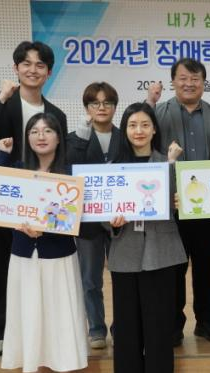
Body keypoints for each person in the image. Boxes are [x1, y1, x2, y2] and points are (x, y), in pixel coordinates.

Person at [0, 41, 67, 360]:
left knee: (39, 267)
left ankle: (37, 331)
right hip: (3, 197)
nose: (33, 70)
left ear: (49, 72)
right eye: (26, 64)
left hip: (41, 200)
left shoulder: (55, 114)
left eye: (40, 65)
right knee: (1, 265)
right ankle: (0, 332)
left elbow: (61, 159)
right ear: (16, 68)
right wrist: (3, 98)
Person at [0, 113, 87, 373]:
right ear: (28, 138)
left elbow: (77, 219)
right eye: (34, 131)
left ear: (59, 137)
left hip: (58, 257)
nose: (41, 136)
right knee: (30, 316)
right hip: (24, 256)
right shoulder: (17, 171)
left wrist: (47, 228)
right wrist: (3, 153)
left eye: (48, 130)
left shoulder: (70, 175)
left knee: (62, 317)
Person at [108, 103, 187, 373]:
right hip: (125, 251)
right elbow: (101, 211)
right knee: (127, 323)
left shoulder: (168, 162)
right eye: (132, 125)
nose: (138, 131)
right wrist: (112, 222)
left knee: (159, 322)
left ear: (154, 129)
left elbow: (185, 204)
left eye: (144, 125)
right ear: (125, 130)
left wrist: (173, 172)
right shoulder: (113, 168)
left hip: (161, 251)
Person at [146, 58, 210, 346]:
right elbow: (142, 147)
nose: (189, 83)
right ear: (173, 82)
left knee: (206, 267)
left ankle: (206, 321)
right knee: (174, 268)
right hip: (172, 205)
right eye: (183, 78)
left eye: (195, 79)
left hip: (207, 207)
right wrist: (149, 102)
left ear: (204, 83)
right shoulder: (158, 114)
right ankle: (174, 323)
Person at [66, 82, 122, 349]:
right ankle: (96, 329)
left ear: (115, 107)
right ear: (86, 107)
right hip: (87, 221)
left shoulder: (125, 136)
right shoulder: (74, 139)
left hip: (119, 220)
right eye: (95, 103)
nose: (101, 108)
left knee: (122, 277)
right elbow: (67, 170)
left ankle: (121, 327)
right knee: (90, 279)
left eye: (107, 103)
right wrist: (81, 136)